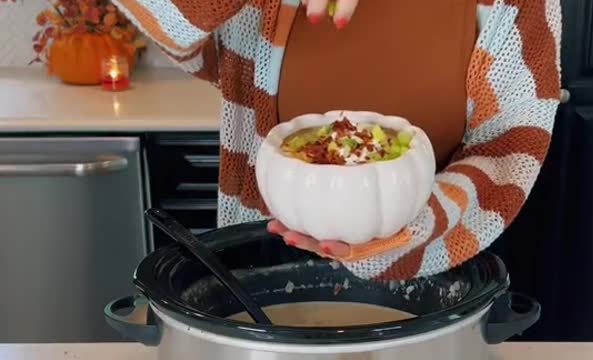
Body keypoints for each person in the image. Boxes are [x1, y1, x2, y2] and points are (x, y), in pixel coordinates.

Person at [112, 0, 561, 280]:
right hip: (260, 270)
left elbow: (509, 149)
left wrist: (402, 231)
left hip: (438, 277)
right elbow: (169, 25)